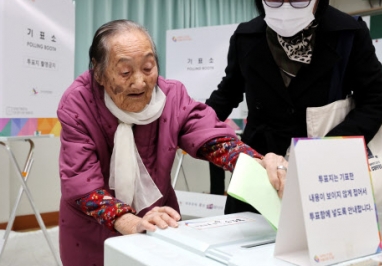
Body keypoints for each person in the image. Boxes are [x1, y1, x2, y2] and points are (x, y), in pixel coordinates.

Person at [57, 19, 288, 266]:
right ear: (98, 71)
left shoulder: (171, 96)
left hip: (159, 222)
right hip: (92, 231)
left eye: (148, 68)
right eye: (125, 72)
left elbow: (212, 137)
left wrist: (257, 162)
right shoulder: (78, 104)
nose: (140, 82)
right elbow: (80, 180)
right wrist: (131, 221)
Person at [206, 0, 382, 214]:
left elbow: (376, 100)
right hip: (260, 164)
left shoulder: (348, 33)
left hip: (323, 167)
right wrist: (192, 125)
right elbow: (227, 94)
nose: (286, 7)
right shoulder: (246, 35)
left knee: (319, 243)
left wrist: (325, 149)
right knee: (242, 239)